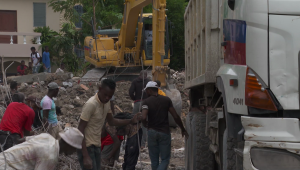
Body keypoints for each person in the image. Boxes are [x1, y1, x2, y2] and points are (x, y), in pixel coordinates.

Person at [77, 79, 141, 170]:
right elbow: (80, 130)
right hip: (87, 147)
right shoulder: (91, 104)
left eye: (110, 96)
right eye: (105, 95)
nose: (107, 98)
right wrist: (85, 156)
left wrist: (130, 121)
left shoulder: (106, 103)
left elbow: (112, 121)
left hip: (96, 145)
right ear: (100, 89)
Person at [141, 81, 189, 170]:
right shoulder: (166, 100)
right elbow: (175, 116)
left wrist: (145, 124)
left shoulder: (146, 102)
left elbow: (143, 117)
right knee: (165, 159)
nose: (146, 92)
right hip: (164, 132)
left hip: (151, 132)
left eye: (146, 90)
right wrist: (182, 128)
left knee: (154, 161)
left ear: (149, 90)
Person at [0, 127, 84, 170]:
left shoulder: (47, 136)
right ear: (69, 145)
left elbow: (22, 140)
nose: (74, 152)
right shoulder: (51, 156)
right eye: (74, 149)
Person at [129, 70, 149, 149]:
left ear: (139, 74)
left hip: (137, 103)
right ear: (146, 75)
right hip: (146, 104)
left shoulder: (135, 81)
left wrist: (135, 99)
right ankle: (142, 144)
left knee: (134, 122)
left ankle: (133, 142)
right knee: (145, 123)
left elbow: (130, 92)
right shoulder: (148, 81)